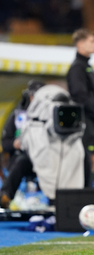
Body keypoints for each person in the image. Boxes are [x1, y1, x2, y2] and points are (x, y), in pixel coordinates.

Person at [0, 80, 45, 208]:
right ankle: (5, 197)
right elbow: (5, 142)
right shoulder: (18, 116)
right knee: (21, 161)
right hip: (24, 158)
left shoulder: (51, 115)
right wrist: (16, 144)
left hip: (46, 157)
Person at [66, 28, 94, 187]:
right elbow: (80, 96)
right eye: (92, 41)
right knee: (87, 162)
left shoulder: (87, 66)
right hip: (84, 121)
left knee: (91, 162)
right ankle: (84, 201)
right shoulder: (77, 68)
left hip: (91, 121)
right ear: (80, 44)